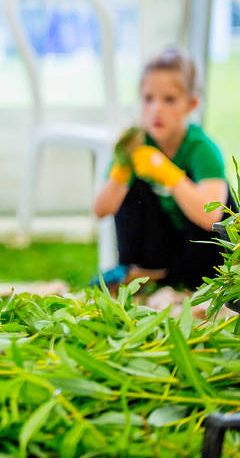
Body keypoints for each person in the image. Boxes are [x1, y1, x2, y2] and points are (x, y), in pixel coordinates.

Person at [92, 47, 230, 289]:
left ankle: (197, 281)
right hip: (161, 251)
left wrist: (169, 174)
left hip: (204, 254)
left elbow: (212, 217)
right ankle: (140, 270)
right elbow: (101, 210)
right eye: (148, 99)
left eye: (169, 100)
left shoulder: (201, 148)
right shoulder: (136, 142)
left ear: (192, 104)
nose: (156, 109)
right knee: (132, 189)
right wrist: (121, 170)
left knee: (223, 200)